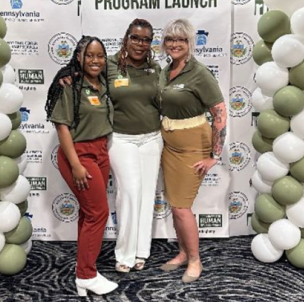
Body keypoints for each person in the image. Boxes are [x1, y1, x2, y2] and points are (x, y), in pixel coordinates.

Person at [56, 19, 163, 273]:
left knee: (147, 195)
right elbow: (85, 73)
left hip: (152, 139)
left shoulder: (155, 68)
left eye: (146, 39)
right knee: (129, 192)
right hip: (121, 139)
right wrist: (65, 76)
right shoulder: (110, 64)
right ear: (126, 38)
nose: (140, 44)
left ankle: (141, 251)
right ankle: (124, 254)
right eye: (135, 38)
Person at [45, 36, 118, 297]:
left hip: (100, 151)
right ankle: (86, 275)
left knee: (89, 213)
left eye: (100, 56)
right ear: (79, 57)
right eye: (89, 56)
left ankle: (83, 269)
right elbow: (61, 127)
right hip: (79, 154)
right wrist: (75, 165)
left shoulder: (103, 84)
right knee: (98, 213)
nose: (95, 61)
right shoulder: (69, 86)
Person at [158, 19, 227, 283]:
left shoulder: (200, 73)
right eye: (170, 39)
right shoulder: (166, 71)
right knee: (175, 205)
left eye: (181, 40)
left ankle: (196, 260)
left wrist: (214, 156)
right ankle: (183, 252)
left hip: (192, 148)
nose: (175, 44)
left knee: (182, 207)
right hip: (169, 147)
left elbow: (219, 113)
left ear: (190, 43)